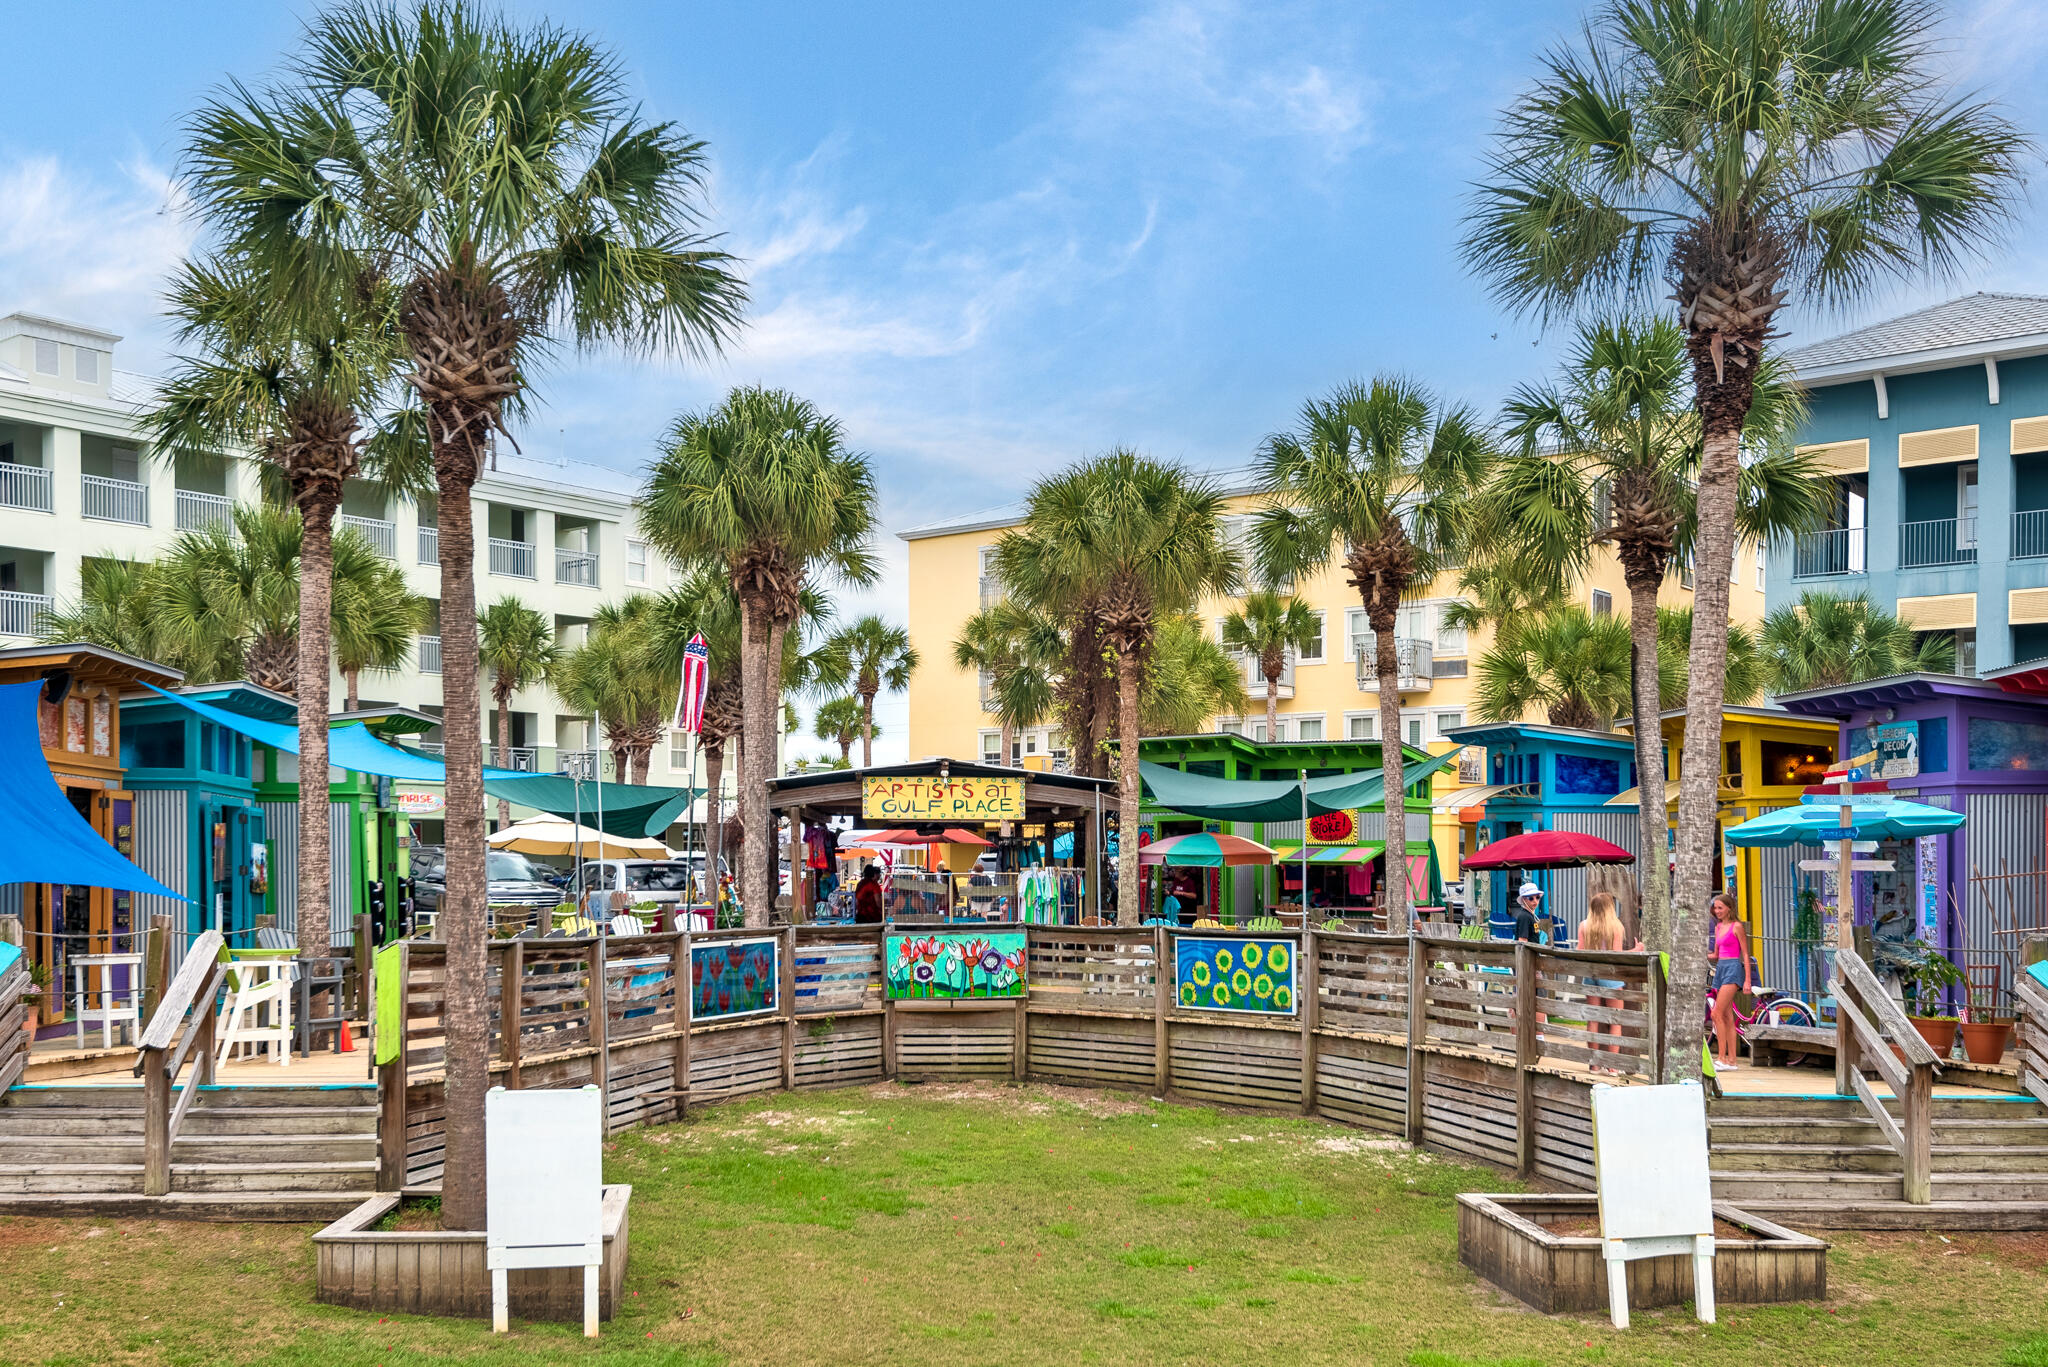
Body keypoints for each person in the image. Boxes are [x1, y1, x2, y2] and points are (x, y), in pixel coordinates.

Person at [1577, 892, 1630, 1069]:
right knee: (1615, 1021)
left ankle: (1594, 1065)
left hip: (1591, 974)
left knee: (1593, 1019)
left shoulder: (1584, 925)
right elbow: (1616, 955)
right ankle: (1612, 1067)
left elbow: (1579, 951)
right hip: (1610, 976)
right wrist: (1637, 949)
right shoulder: (1616, 927)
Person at [1709, 891, 1753, 1070]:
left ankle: (1721, 1058)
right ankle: (1731, 1060)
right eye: (1715, 908)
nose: (1717, 911)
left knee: (1716, 1013)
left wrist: (1747, 980)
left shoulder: (1737, 927)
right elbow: (1716, 955)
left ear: (1729, 908)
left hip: (1733, 969)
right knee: (1726, 1016)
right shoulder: (1718, 927)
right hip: (1721, 968)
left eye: (1720, 908)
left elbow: (1745, 954)